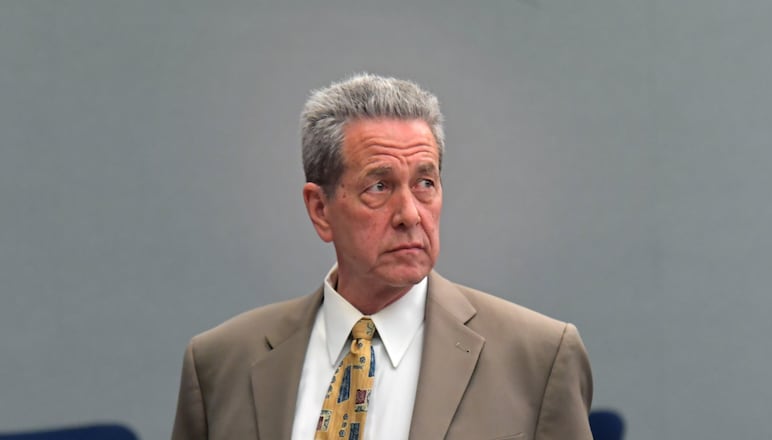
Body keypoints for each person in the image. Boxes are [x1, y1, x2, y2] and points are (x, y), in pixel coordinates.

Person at [171, 73, 593, 440]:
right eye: (379, 186)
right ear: (320, 210)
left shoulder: (538, 359)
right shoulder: (220, 363)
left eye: (425, 182)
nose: (410, 214)